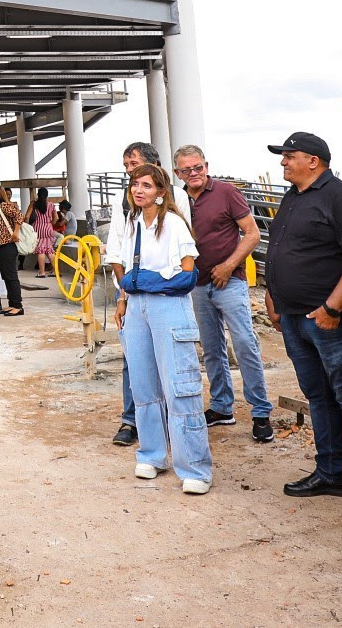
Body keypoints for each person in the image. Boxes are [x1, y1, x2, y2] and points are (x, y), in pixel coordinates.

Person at [263, 131, 342, 529]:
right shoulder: (294, 196)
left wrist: (333, 306)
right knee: (318, 395)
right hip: (294, 317)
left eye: (290, 156)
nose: (283, 162)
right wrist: (274, 297)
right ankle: (330, 473)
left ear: (314, 160)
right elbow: (282, 250)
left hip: (330, 318)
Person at [107, 161, 210, 495]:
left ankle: (194, 467)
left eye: (147, 185)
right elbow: (124, 268)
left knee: (179, 384)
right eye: (135, 184)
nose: (139, 190)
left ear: (162, 192)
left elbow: (187, 272)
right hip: (137, 307)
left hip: (168, 307)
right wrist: (123, 299)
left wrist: (148, 282)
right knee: (143, 384)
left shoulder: (175, 225)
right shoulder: (133, 223)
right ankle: (152, 454)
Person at [172, 144, 273, 442]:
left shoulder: (227, 192)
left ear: (206, 165)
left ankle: (260, 411)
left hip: (230, 282)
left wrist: (229, 266)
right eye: (186, 170)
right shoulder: (177, 199)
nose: (193, 174)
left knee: (244, 344)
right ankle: (221, 407)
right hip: (197, 285)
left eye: (198, 167)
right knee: (212, 349)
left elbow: (252, 233)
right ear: (178, 173)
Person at [110, 140, 160, 447]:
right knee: (133, 356)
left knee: (167, 357)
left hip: (166, 293)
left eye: (135, 165)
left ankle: (164, 417)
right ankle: (132, 419)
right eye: (127, 167)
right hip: (133, 291)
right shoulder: (124, 202)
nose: (130, 172)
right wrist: (123, 293)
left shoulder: (175, 198)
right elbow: (117, 248)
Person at [0, 189, 25, 316]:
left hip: (8, 245)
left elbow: (19, 216)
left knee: (11, 276)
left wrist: (15, 232)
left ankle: (18, 305)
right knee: (7, 276)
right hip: (1, 246)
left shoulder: (3, 206)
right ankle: (12, 303)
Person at [26, 186, 56, 278]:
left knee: (41, 251)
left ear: (38, 195)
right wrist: (50, 224)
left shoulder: (34, 204)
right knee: (50, 250)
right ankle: (56, 271)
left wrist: (27, 227)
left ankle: (42, 272)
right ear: (47, 195)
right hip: (48, 227)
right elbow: (56, 218)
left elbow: (27, 216)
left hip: (38, 228)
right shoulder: (51, 205)